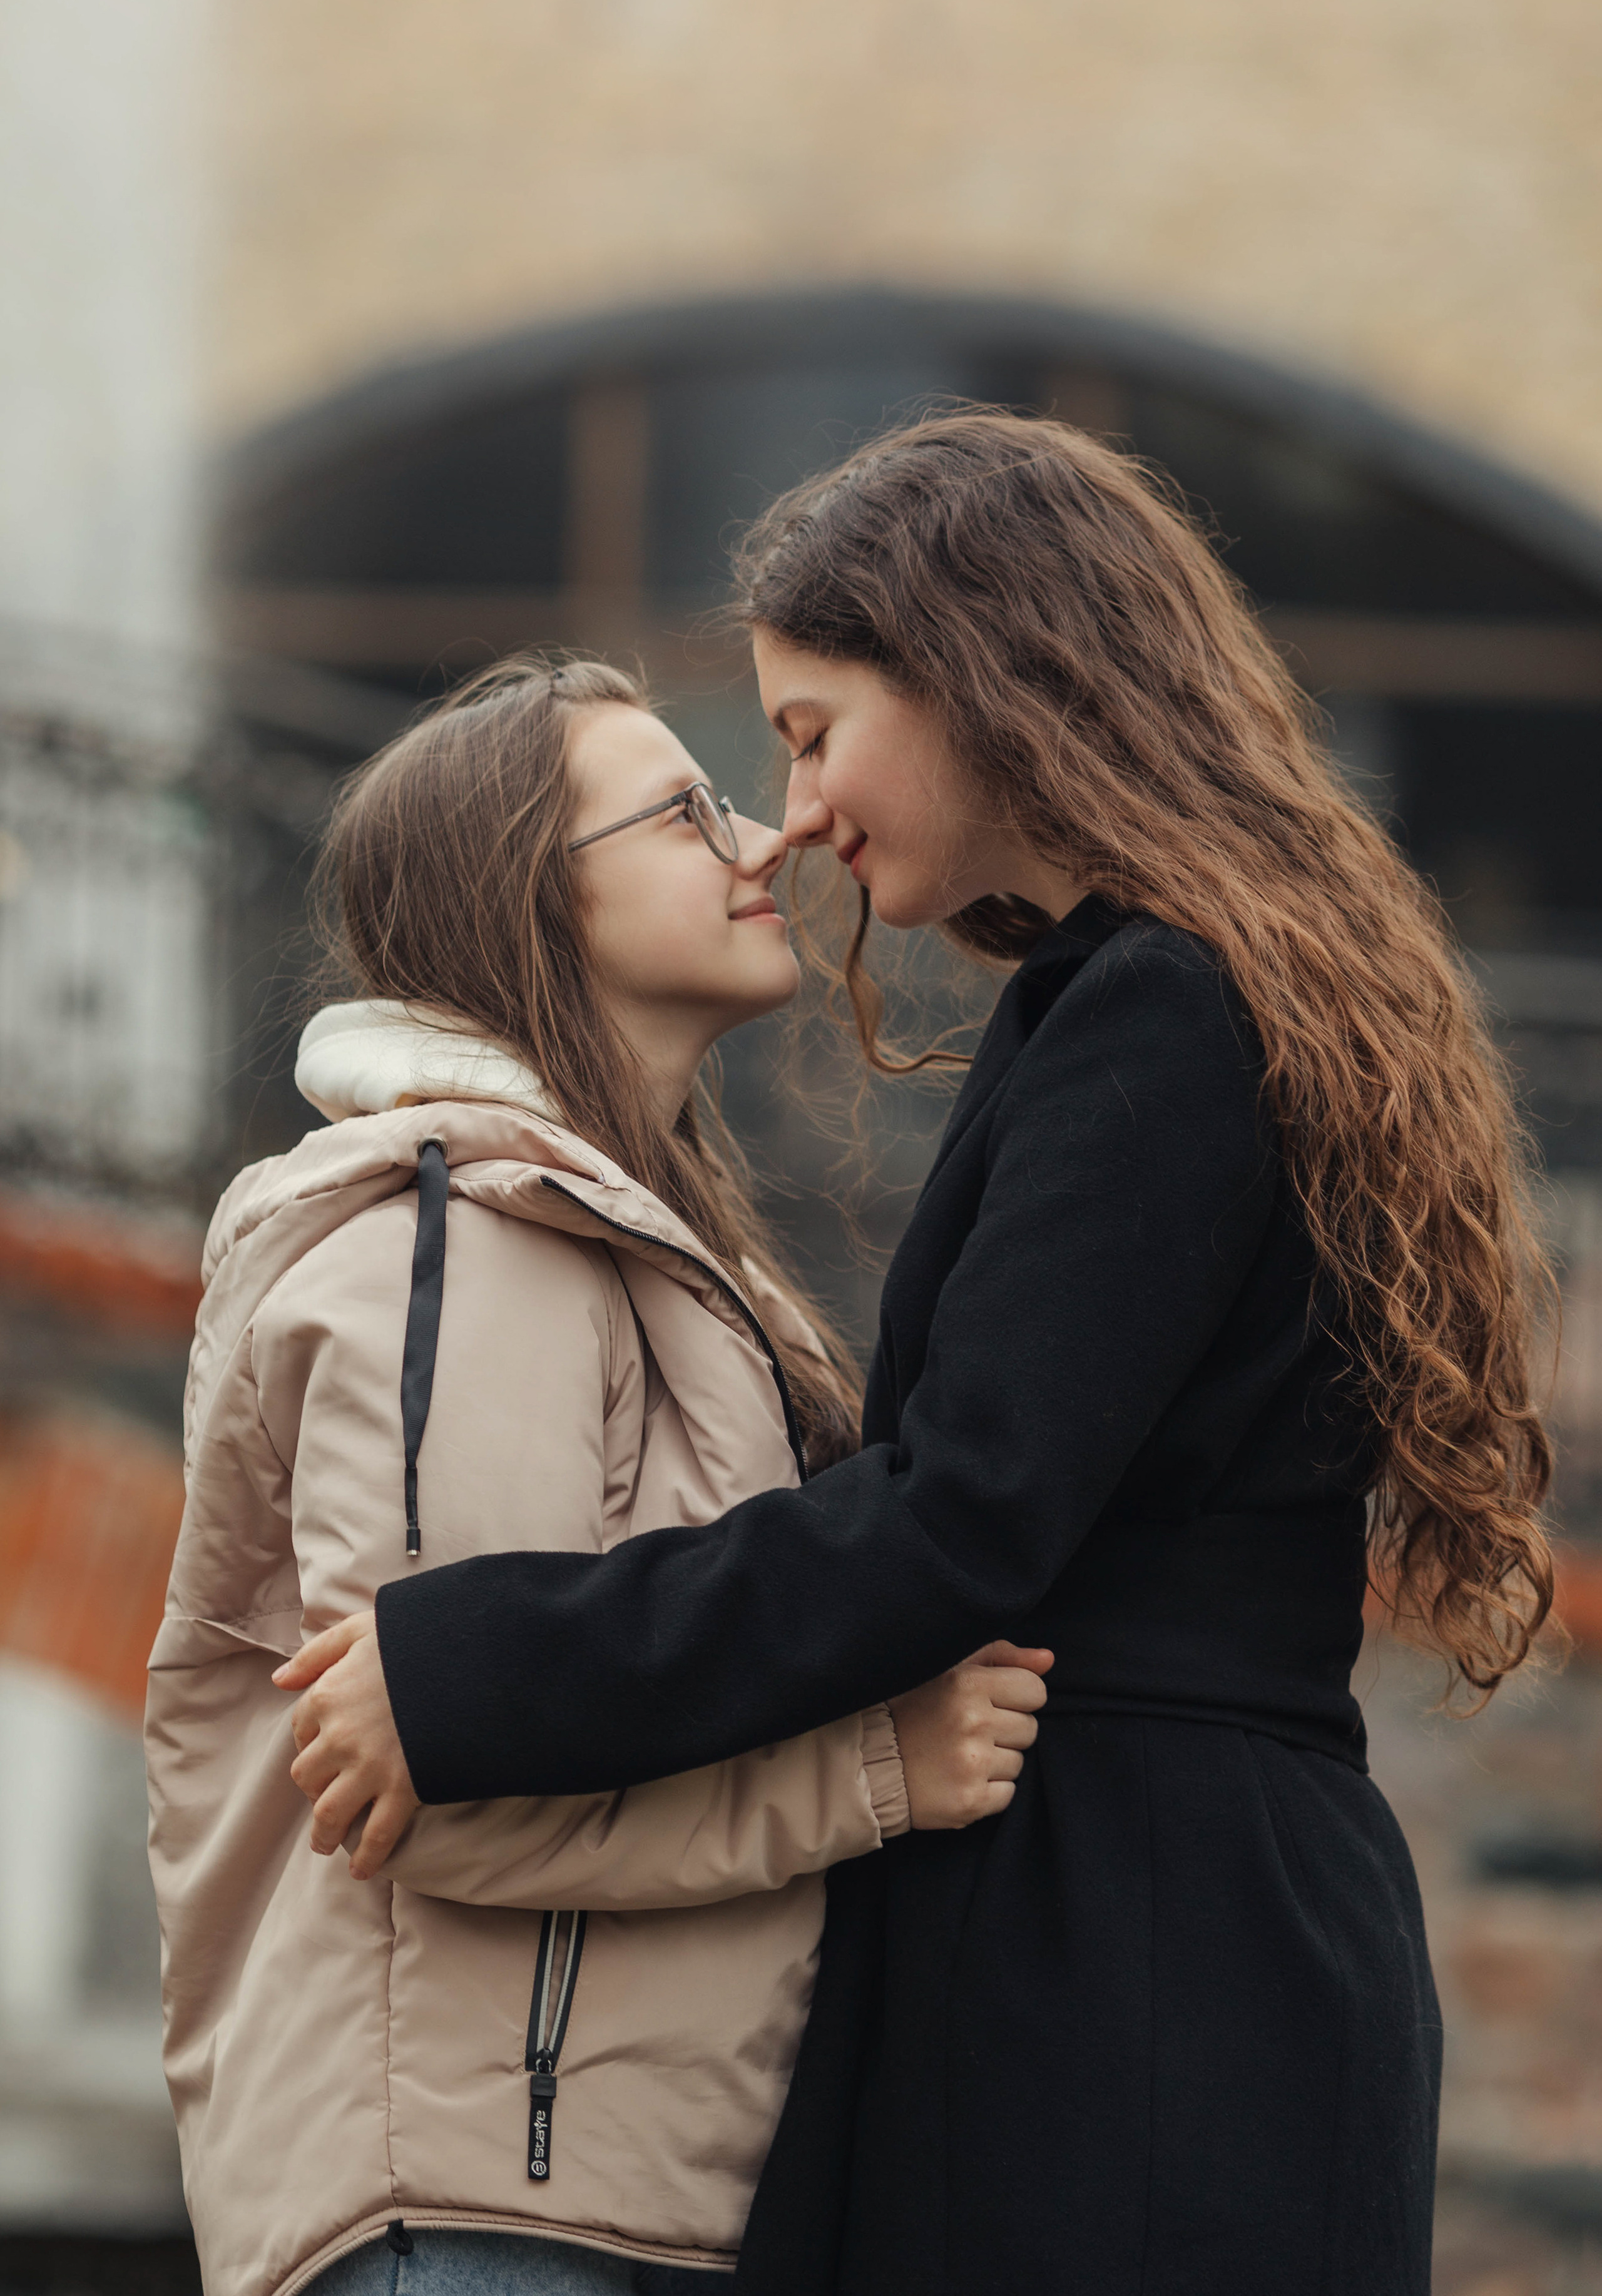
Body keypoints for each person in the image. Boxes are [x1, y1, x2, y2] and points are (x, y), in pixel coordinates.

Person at [278, 414, 1559, 2296]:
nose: (790, 810)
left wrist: (462, 1668)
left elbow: (960, 1513)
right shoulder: (1167, 992)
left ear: (983, 676)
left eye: (810, 732)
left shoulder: (1160, 1013)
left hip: (1129, 1970)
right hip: (1160, 1934)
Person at [145, 656, 1051, 2296]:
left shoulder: (615, 1243)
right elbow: (430, 1779)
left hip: (575, 2189)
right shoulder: (459, 1241)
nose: (763, 839)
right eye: (684, 811)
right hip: (472, 2203)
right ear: (531, 904)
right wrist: (872, 1772)